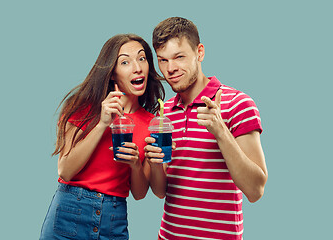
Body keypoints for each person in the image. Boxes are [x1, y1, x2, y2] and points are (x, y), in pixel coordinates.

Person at [144, 17, 268, 240]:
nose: (170, 69)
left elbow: (255, 190)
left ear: (200, 52)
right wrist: (155, 163)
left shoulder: (238, 103)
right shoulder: (164, 114)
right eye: (163, 60)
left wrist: (220, 132)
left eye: (179, 57)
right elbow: (161, 191)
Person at [40, 33, 164, 240]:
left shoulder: (152, 123)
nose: (137, 67)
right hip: (70, 212)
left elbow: (140, 194)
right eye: (125, 62)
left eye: (142, 58)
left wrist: (134, 164)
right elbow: (66, 170)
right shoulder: (82, 107)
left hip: (113, 218)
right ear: (113, 73)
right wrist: (103, 123)